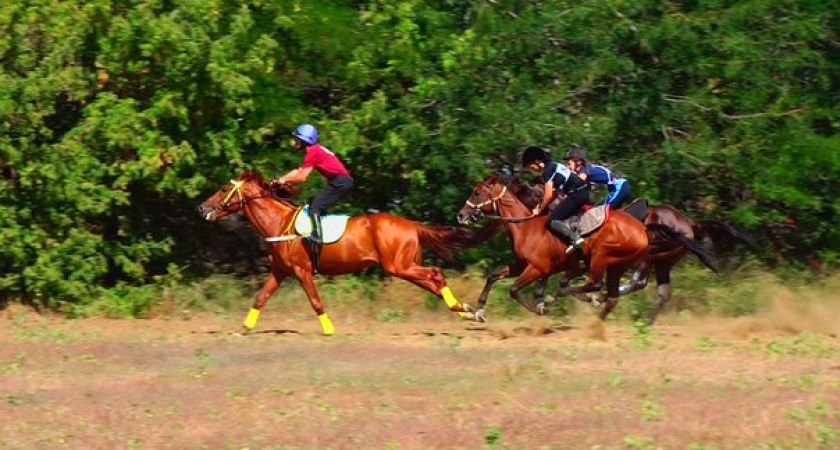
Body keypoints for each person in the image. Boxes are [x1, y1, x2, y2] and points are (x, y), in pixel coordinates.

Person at [271, 124, 354, 274]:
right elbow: (298, 171)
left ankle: (317, 236)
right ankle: (321, 234)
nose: (295, 142)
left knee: (315, 206)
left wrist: (283, 181)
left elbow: (302, 177)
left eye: (297, 139)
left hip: (341, 182)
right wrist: (281, 180)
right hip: (341, 181)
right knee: (316, 205)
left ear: (305, 140)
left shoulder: (312, 152)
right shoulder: (315, 150)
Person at [522, 146, 590, 254]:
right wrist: (541, 206)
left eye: (530, 166)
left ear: (537, 161)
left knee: (552, 221)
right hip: (582, 192)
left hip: (577, 194)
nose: (531, 169)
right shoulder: (552, 166)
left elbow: (548, 195)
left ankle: (575, 239)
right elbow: (554, 193)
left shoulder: (547, 171)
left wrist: (539, 211)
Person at [565, 146, 631, 209]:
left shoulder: (584, 169)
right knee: (599, 207)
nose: (568, 167)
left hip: (619, 187)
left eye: (569, 164)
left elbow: (578, 182)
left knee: (604, 209)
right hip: (619, 187)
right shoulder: (588, 168)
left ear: (579, 162)